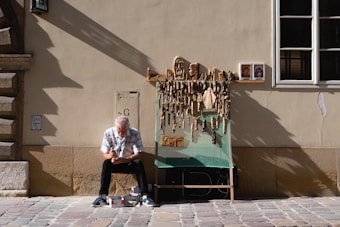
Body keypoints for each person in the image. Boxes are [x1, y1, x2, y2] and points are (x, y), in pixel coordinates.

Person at [92, 116, 154, 207]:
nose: (120, 133)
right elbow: (104, 154)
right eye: (118, 130)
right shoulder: (108, 133)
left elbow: (139, 153)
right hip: (115, 163)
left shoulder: (135, 133)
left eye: (124, 130)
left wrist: (126, 159)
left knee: (139, 163)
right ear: (115, 126)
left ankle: (145, 196)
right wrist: (111, 156)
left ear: (128, 127)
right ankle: (102, 196)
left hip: (128, 162)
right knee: (106, 163)